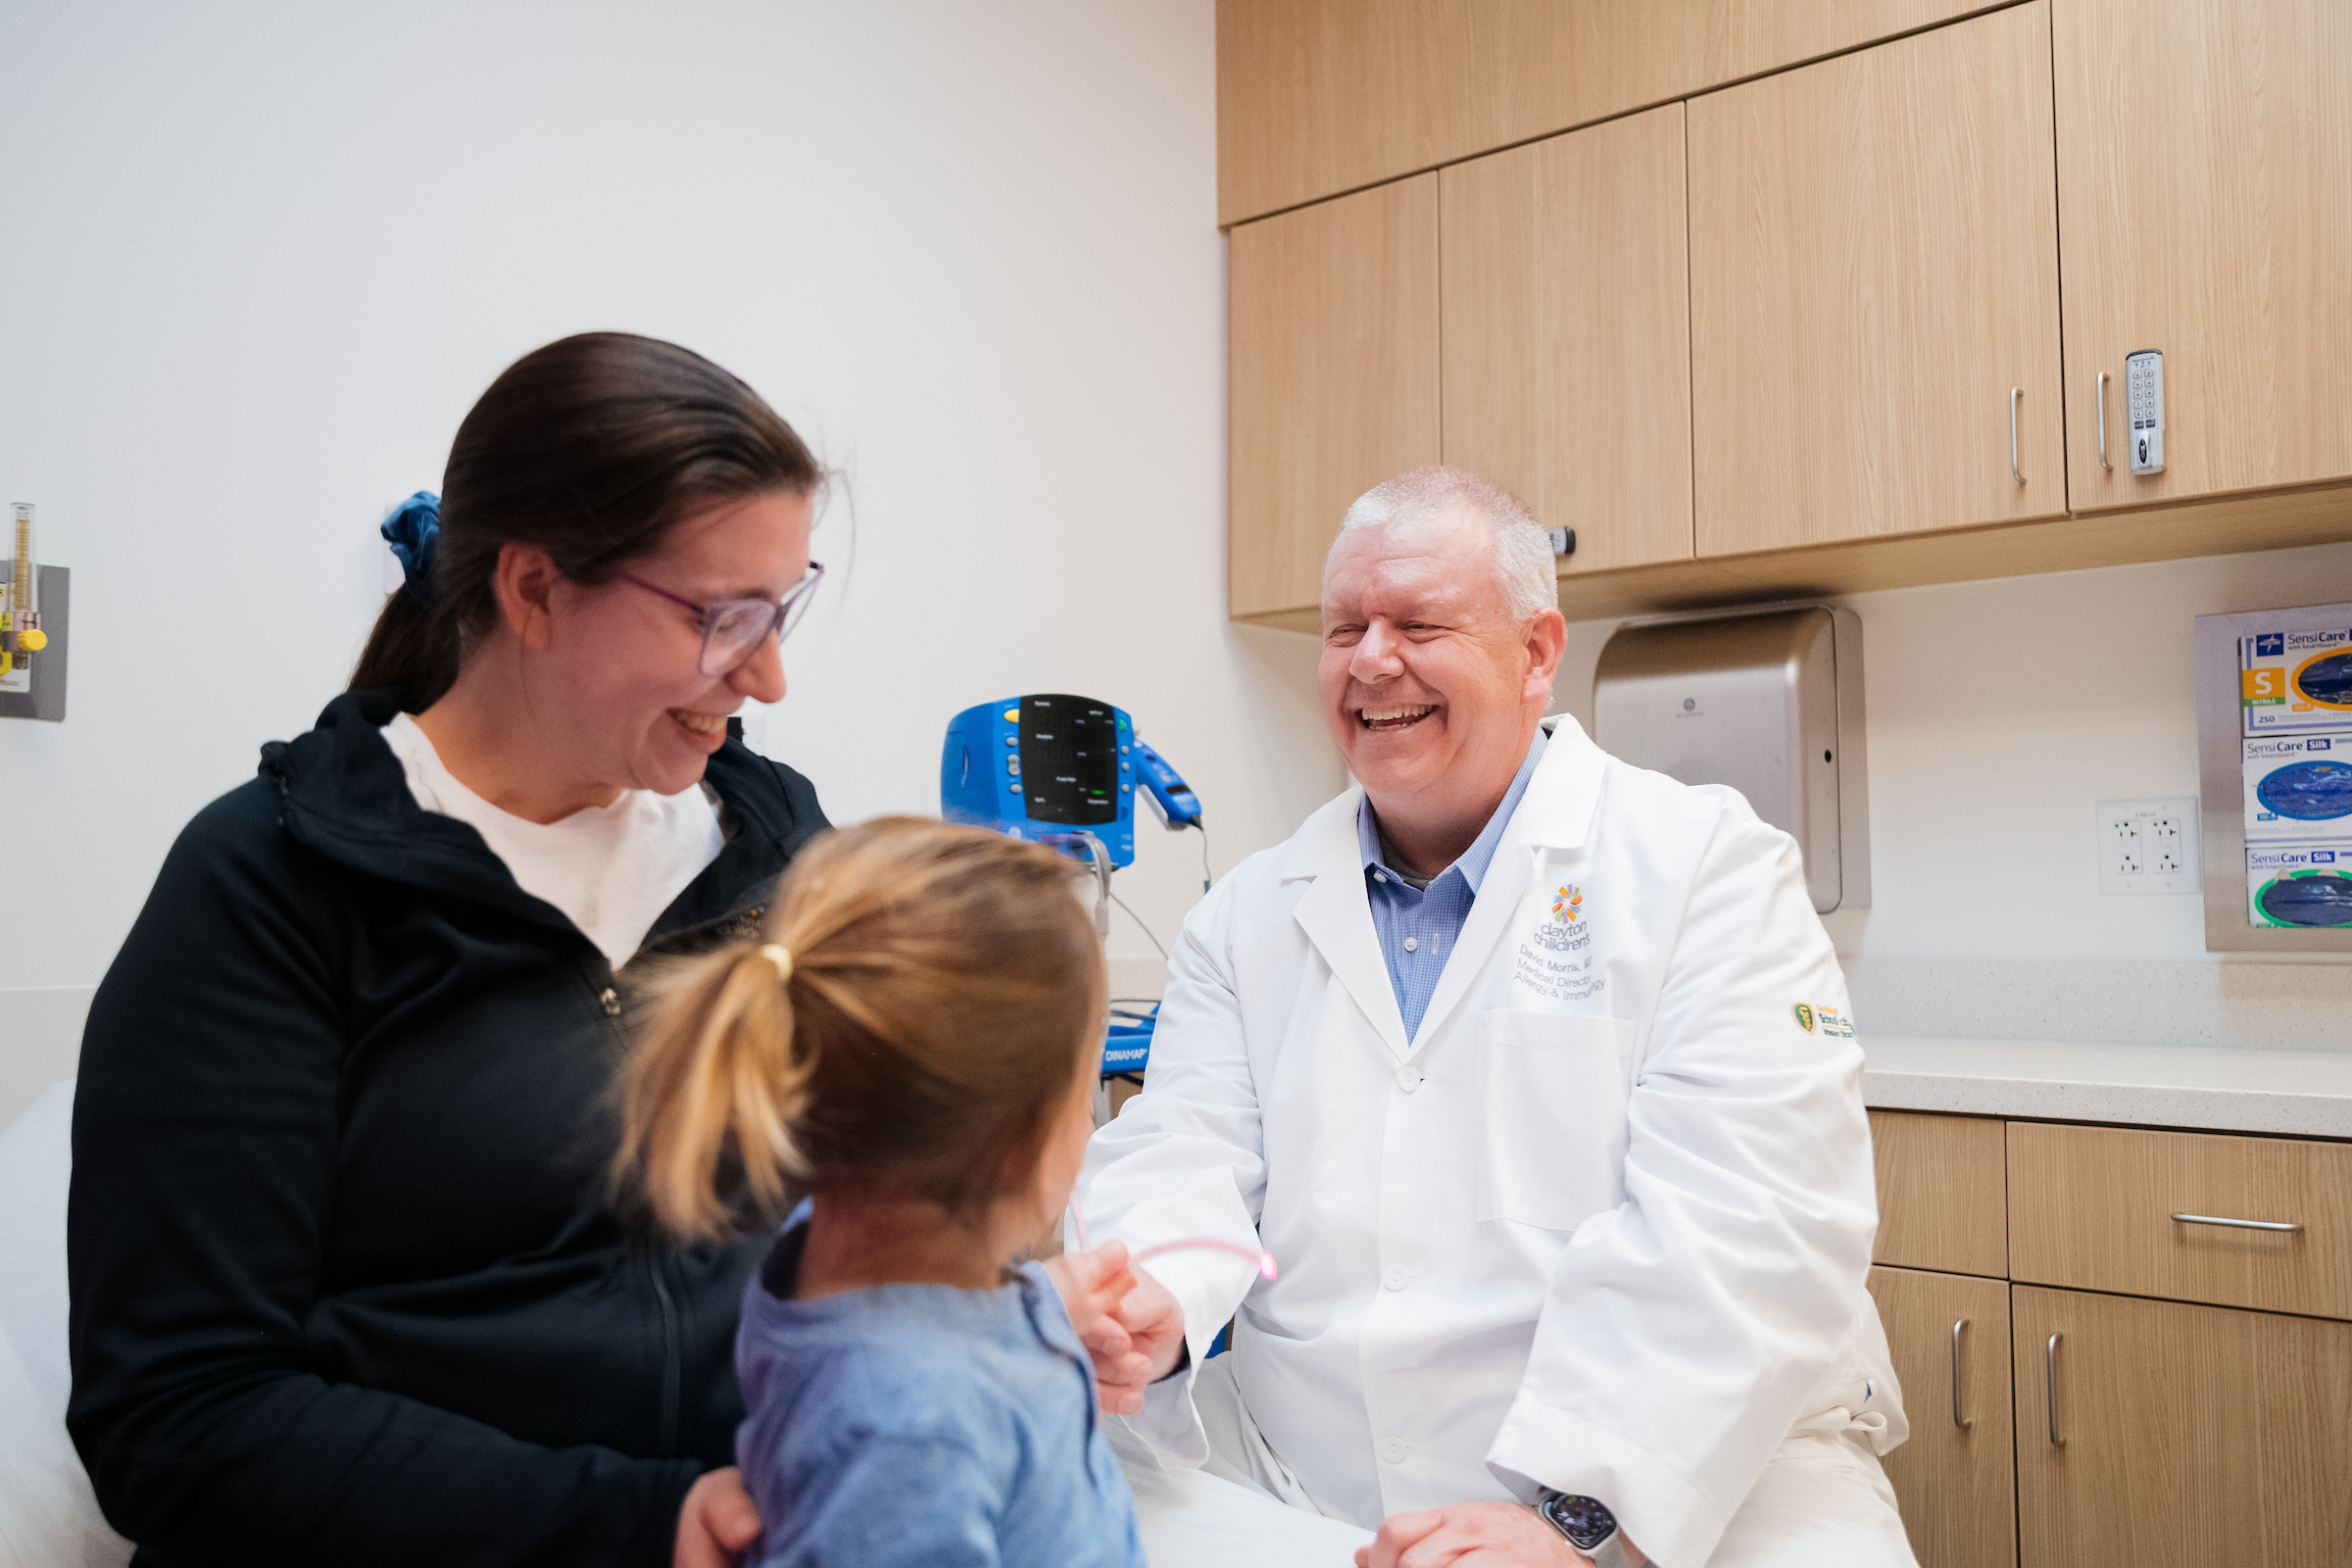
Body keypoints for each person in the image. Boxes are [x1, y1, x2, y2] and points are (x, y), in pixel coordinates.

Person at [69, 332, 829, 1567]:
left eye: (783, 609)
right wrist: (648, 1527)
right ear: (532, 591)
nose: (773, 676)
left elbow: (869, 1221)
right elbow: (179, 1414)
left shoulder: (779, 855)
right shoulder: (271, 884)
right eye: (724, 617)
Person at [1072, 466, 1915, 1568]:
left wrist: (1577, 1514)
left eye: (1418, 622)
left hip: (1690, 1477)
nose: (1373, 658)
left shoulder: (1708, 869)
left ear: (1536, 652)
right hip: (1304, 1465)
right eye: (1344, 629)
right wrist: (1150, 1295)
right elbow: (1187, 1152)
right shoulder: (1246, 913)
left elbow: (1753, 1222)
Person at [614, 816, 1149, 1568]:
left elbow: (919, 1319)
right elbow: (923, 1383)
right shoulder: (912, 1432)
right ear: (1020, 1150)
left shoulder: (823, 1250)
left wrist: (1040, 1304)